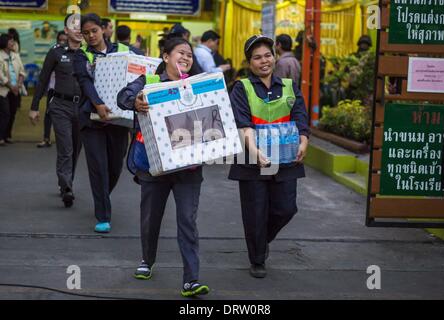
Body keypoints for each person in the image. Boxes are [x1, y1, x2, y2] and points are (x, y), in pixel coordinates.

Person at [117, 38, 210, 298]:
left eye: (190, 55)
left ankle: (191, 280)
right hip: (154, 165)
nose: (187, 58)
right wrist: (135, 101)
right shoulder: (148, 82)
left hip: (188, 168)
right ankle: (147, 260)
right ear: (166, 56)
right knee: (150, 217)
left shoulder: (196, 85)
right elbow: (122, 97)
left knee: (187, 221)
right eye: (181, 53)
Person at [229, 35, 310, 278]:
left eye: (267, 55)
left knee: (286, 209)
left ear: (274, 57)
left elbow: (300, 115)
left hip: (285, 160)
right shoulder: (241, 88)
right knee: (255, 211)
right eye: (257, 57)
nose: (263, 61)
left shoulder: (288, 86)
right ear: (249, 62)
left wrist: (304, 140)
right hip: (252, 162)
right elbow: (243, 123)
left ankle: (261, 240)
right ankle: (257, 259)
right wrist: (255, 152)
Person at [73, 13, 131, 233]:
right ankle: (103, 215)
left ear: (105, 29)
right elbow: (85, 82)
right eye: (86, 33)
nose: (91, 36)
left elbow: (143, 72)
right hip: (92, 121)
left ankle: (102, 196)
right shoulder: (82, 55)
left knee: (115, 166)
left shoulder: (125, 51)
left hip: (119, 120)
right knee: (98, 168)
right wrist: (97, 104)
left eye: (94, 31)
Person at [29, 15, 83, 208]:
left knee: (76, 149)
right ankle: (66, 187)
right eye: (73, 26)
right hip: (60, 106)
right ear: (66, 31)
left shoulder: (90, 53)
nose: (78, 29)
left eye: (80, 26)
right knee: (66, 148)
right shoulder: (56, 52)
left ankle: (68, 182)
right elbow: (43, 79)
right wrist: (34, 107)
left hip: (83, 108)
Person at [37, 31, 69, 149]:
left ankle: (67, 141)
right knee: (48, 113)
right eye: (60, 40)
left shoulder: (73, 54)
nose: (62, 42)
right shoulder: (54, 53)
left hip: (67, 92)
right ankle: (46, 138)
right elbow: (44, 75)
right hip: (53, 89)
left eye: (64, 40)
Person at [0, 33, 25, 145]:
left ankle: (7, 136)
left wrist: (18, 84)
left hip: (16, 89)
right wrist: (10, 86)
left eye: (13, 41)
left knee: (13, 112)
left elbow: (22, 71)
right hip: (3, 90)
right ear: (4, 43)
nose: (13, 43)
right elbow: (0, 75)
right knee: (5, 113)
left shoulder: (16, 55)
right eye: (10, 41)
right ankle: (1, 136)